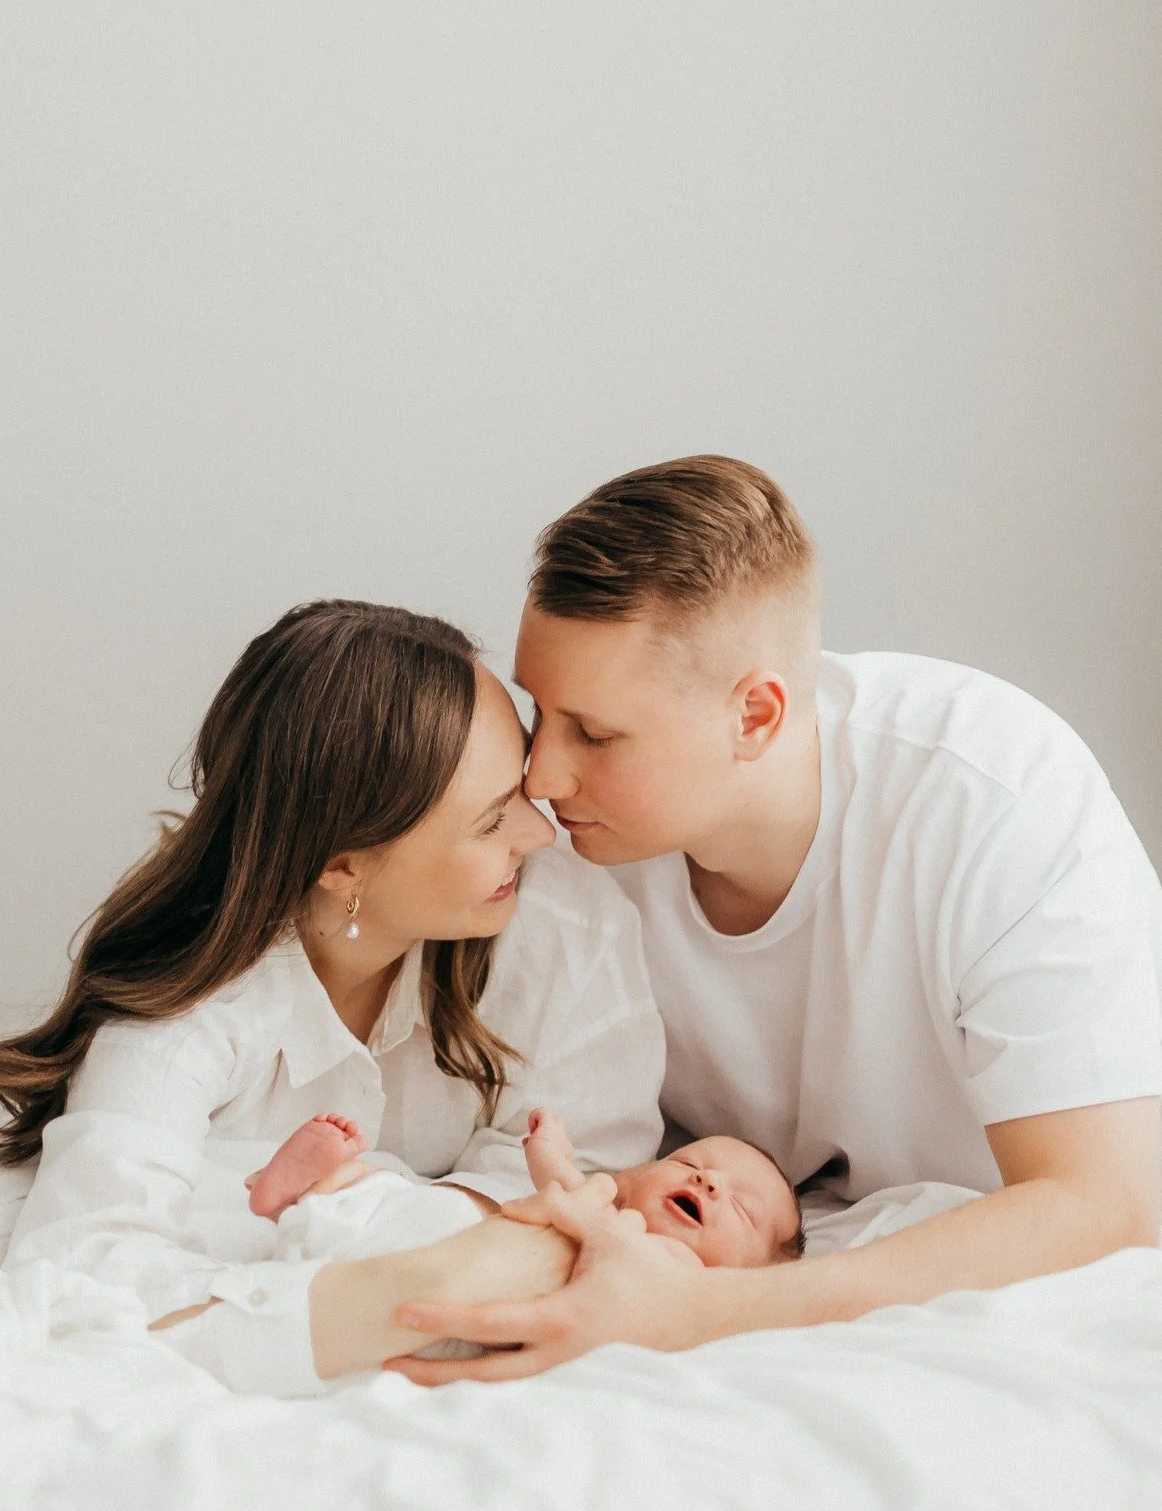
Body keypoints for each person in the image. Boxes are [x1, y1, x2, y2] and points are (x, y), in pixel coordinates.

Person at [383, 455, 1162, 1383]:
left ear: (754, 716)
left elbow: (1114, 1203)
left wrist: (705, 1314)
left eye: (594, 733)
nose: (542, 777)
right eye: (539, 712)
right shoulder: (567, 846)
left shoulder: (991, 794)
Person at [0, 599, 666, 1396]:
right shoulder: (187, 1016)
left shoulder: (565, 927)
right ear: (344, 867)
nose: (538, 834)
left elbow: (597, 1173)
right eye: (492, 820)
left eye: (518, 791)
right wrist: (406, 1290)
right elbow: (80, 1283)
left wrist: (427, 1222)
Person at [246, 1105, 806, 1271]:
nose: (707, 1181)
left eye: (740, 1205)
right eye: (688, 1163)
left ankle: (307, 1200)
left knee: (376, 1216)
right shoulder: (610, 1208)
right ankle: (303, 1190)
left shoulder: (679, 1281)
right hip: (453, 1220)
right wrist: (556, 1163)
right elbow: (571, 1199)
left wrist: (555, 1163)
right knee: (387, 1192)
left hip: (448, 1266)